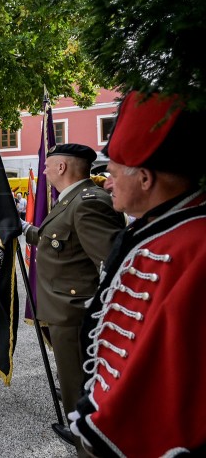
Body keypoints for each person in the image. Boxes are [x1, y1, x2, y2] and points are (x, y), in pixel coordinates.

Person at [69, 93, 206, 457]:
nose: (107, 183)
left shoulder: (194, 246)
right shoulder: (155, 229)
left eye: (112, 174)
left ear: (145, 178)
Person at [20, 143, 125, 454]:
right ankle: (80, 436)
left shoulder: (88, 202)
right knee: (72, 390)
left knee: (82, 393)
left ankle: (87, 448)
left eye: (48, 165)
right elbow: (61, 240)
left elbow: (112, 265)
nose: (44, 170)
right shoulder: (72, 201)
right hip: (65, 314)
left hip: (78, 318)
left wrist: (96, 319)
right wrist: (26, 230)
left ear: (62, 168)